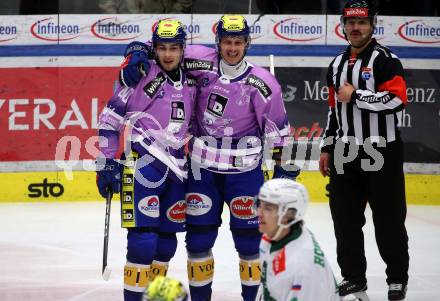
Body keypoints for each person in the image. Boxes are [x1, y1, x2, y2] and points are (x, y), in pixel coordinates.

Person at [119, 14, 298, 301]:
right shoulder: (199, 59)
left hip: (245, 174)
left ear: (247, 43)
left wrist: (285, 172)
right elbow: (164, 43)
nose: (232, 48)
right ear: (218, 42)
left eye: (238, 42)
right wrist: (136, 50)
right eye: (227, 41)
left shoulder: (264, 83)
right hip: (202, 172)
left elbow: (280, 133)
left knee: (250, 244)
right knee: (198, 242)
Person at [96, 19, 196, 301]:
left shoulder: (194, 77)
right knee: (143, 241)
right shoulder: (138, 75)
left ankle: (152, 297)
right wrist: (106, 162)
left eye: (174, 48)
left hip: (177, 168)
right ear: (154, 49)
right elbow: (109, 121)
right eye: (161, 48)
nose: (167, 54)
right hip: (141, 164)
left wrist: (135, 46)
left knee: (165, 245)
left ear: (182, 49)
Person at [319, 0, 409, 300]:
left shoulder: (386, 60)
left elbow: (396, 101)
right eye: (350, 23)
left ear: (372, 25)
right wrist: (327, 147)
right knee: (345, 220)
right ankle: (354, 278)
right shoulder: (336, 65)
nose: (356, 28)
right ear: (343, 25)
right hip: (345, 151)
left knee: (389, 219)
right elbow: (333, 110)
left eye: (362, 23)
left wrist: (356, 95)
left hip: (381, 149)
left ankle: (397, 279)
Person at [255, 179, 339, 301]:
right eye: (259, 205)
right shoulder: (272, 236)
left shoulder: (302, 268)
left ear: (288, 214)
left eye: (268, 208)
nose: (259, 213)